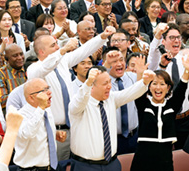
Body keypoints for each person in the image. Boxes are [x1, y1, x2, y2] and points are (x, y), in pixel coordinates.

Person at [26, 26, 116, 161]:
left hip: (74, 128)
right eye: (53, 45)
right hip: (53, 132)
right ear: (41, 51)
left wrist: (102, 36)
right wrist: (63, 49)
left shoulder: (62, 62)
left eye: (57, 44)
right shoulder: (34, 69)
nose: (57, 47)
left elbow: (83, 51)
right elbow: (46, 67)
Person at [69, 66, 155, 170]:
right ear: (92, 86)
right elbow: (80, 100)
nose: (110, 86)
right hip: (85, 166)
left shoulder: (111, 98)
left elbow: (129, 93)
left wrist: (144, 82)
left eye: (110, 82)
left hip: (112, 164)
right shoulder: (79, 104)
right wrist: (87, 83)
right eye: (105, 83)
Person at [131, 51, 189, 171]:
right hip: (143, 159)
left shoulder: (171, 105)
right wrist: (140, 75)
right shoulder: (144, 105)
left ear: (168, 87)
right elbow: (138, 93)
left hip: (164, 159)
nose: (158, 87)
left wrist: (187, 70)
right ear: (149, 87)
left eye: (162, 84)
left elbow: (181, 89)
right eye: (154, 84)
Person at [14, 78, 63, 170]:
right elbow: (27, 134)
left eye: (48, 88)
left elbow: (42, 131)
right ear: (31, 97)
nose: (49, 92)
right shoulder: (19, 115)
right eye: (44, 90)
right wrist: (40, 108)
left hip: (50, 167)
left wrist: (55, 134)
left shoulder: (46, 110)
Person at [0, 44, 26, 110]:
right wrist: (24, 97)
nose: (20, 58)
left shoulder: (28, 69)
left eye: (21, 54)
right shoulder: (1, 73)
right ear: (6, 59)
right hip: (12, 114)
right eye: (15, 56)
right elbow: (1, 100)